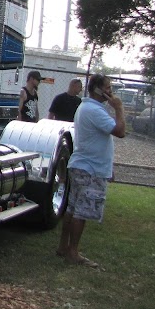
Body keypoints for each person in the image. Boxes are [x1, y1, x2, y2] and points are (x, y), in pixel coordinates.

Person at [56, 73, 125, 268]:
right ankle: (73, 251)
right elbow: (120, 131)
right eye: (108, 87)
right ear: (97, 90)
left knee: (72, 208)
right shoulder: (94, 110)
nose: (111, 91)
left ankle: (64, 246)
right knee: (82, 211)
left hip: (82, 165)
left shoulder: (85, 107)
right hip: (91, 168)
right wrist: (119, 108)